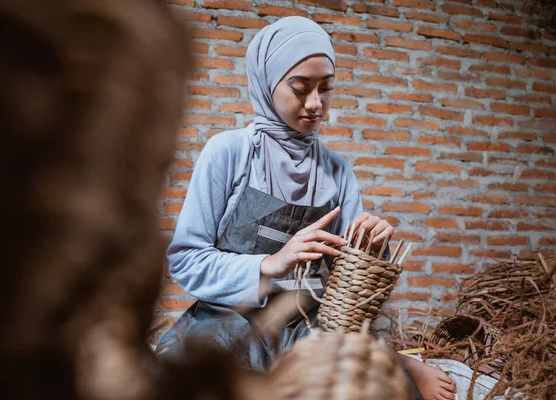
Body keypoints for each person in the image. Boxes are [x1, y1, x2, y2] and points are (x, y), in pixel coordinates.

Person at [157, 16, 456, 400]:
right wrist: (271, 264)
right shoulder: (230, 153)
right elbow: (186, 260)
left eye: (326, 88)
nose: (316, 104)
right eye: (300, 89)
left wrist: (369, 248)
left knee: (380, 387)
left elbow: (347, 288)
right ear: (267, 84)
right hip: (227, 321)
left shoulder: (337, 171)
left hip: (309, 328)